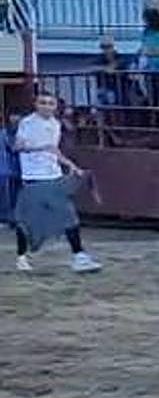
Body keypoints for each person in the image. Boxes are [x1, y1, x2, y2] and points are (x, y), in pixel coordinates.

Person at [13, 93, 101, 274]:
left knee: (69, 216)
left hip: (54, 177)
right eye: (42, 103)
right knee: (26, 221)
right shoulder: (27, 123)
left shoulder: (55, 124)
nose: (46, 106)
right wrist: (40, 148)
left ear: (55, 107)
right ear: (36, 105)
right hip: (33, 180)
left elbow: (55, 152)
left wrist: (73, 167)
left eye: (50, 103)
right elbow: (18, 146)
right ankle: (21, 257)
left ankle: (79, 256)